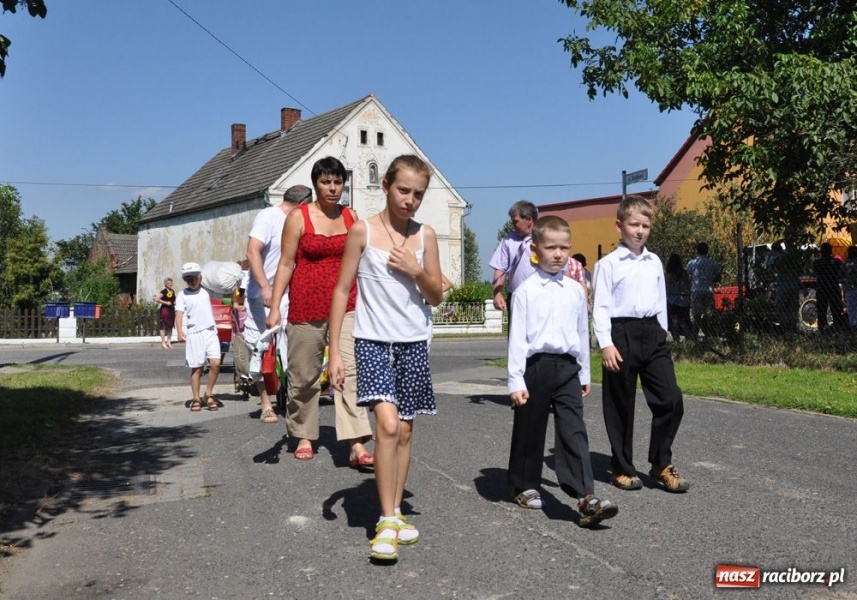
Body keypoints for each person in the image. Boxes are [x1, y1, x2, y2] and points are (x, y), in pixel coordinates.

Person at [328, 154, 442, 561]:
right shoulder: (362, 231)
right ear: (386, 187)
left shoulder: (426, 236)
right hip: (372, 342)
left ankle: (394, 512)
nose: (410, 200)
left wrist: (415, 269)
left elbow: (435, 295)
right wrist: (334, 352)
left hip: (413, 342)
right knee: (388, 426)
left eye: (418, 194)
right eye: (403, 190)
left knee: (405, 431)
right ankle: (387, 518)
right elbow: (342, 290)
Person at [507, 215, 618, 527]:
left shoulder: (575, 290)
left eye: (564, 248)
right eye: (551, 247)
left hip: (568, 367)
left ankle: (585, 496)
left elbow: (582, 332)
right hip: (535, 366)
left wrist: (584, 373)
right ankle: (524, 484)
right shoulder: (526, 290)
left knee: (573, 429)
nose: (558, 254)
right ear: (535, 249)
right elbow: (517, 339)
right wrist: (516, 380)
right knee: (530, 427)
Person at [267, 157, 373, 464]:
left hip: (348, 305)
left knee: (349, 372)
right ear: (316, 184)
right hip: (306, 305)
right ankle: (304, 434)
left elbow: (364, 262)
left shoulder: (351, 217)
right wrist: (275, 306)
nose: (333, 188)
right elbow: (286, 263)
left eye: (338, 182)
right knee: (304, 375)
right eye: (326, 182)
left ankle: (357, 443)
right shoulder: (299, 217)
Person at [592, 196, 688, 494]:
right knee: (621, 404)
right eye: (634, 224)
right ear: (619, 225)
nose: (640, 231)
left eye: (645, 226)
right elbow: (600, 307)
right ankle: (622, 468)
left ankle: (661, 463)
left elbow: (660, 300)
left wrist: (663, 332)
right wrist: (605, 344)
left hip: (653, 333)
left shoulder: (654, 261)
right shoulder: (608, 264)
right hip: (620, 334)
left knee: (671, 399)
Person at [244, 184, 312, 424]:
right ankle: (266, 405)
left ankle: (293, 402)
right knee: (262, 347)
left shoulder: (299, 221)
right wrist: (265, 287)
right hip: (263, 292)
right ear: (302, 204)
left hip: (288, 293)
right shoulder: (268, 216)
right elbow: (252, 252)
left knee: (292, 346)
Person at [175, 262, 221, 412]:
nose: (192, 281)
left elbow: (224, 292)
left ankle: (208, 393)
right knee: (197, 369)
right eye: (189, 278)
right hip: (194, 334)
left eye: (194, 277)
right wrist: (180, 331)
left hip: (210, 331)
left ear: (200, 277)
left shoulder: (206, 291)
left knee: (215, 363)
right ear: (185, 280)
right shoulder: (182, 295)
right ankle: (196, 399)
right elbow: (179, 314)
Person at [489, 201, 538, 315]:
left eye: (515, 221)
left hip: (541, 297)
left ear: (529, 219)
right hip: (516, 297)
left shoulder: (545, 238)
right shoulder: (508, 240)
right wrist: (497, 293)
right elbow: (500, 268)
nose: (513, 225)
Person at [685, 242, 720, 337]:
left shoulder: (692, 263)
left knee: (696, 314)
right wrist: (710, 278)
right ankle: (708, 333)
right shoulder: (712, 263)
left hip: (696, 290)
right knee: (709, 314)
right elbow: (718, 277)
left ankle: (695, 335)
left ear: (697, 251)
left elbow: (686, 275)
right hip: (708, 290)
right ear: (707, 251)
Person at [766, 242, 801, 333]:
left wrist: (769, 257)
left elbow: (768, 269)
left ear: (773, 250)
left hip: (783, 288)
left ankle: (785, 329)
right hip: (794, 286)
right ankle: (793, 328)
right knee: (792, 309)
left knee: (781, 309)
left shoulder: (775, 258)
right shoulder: (789, 257)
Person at [813, 242, 846, 333]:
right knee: (836, 309)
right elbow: (840, 272)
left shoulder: (816, 263)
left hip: (821, 287)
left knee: (822, 310)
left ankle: (822, 328)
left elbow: (815, 273)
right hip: (833, 287)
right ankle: (838, 328)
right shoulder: (836, 262)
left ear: (821, 251)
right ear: (831, 251)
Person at [664, 254, 692, 341]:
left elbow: (667, 289)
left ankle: (676, 340)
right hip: (683, 301)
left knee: (674, 321)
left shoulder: (668, 275)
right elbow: (688, 286)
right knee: (683, 322)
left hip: (672, 301)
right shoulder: (684, 274)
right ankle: (689, 339)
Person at [154, 278, 176, 349]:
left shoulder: (172, 291)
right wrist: (166, 302)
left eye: (171, 283)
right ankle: (163, 342)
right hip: (165, 310)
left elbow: (173, 300)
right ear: (165, 284)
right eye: (168, 283)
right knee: (163, 327)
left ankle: (168, 342)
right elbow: (157, 299)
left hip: (171, 310)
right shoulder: (163, 291)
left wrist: (175, 303)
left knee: (170, 327)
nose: (170, 284)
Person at [841, 246, 857, 329]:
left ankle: (853, 326)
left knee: (851, 309)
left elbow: (841, 275)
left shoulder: (845, 264)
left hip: (849, 289)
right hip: (853, 287)